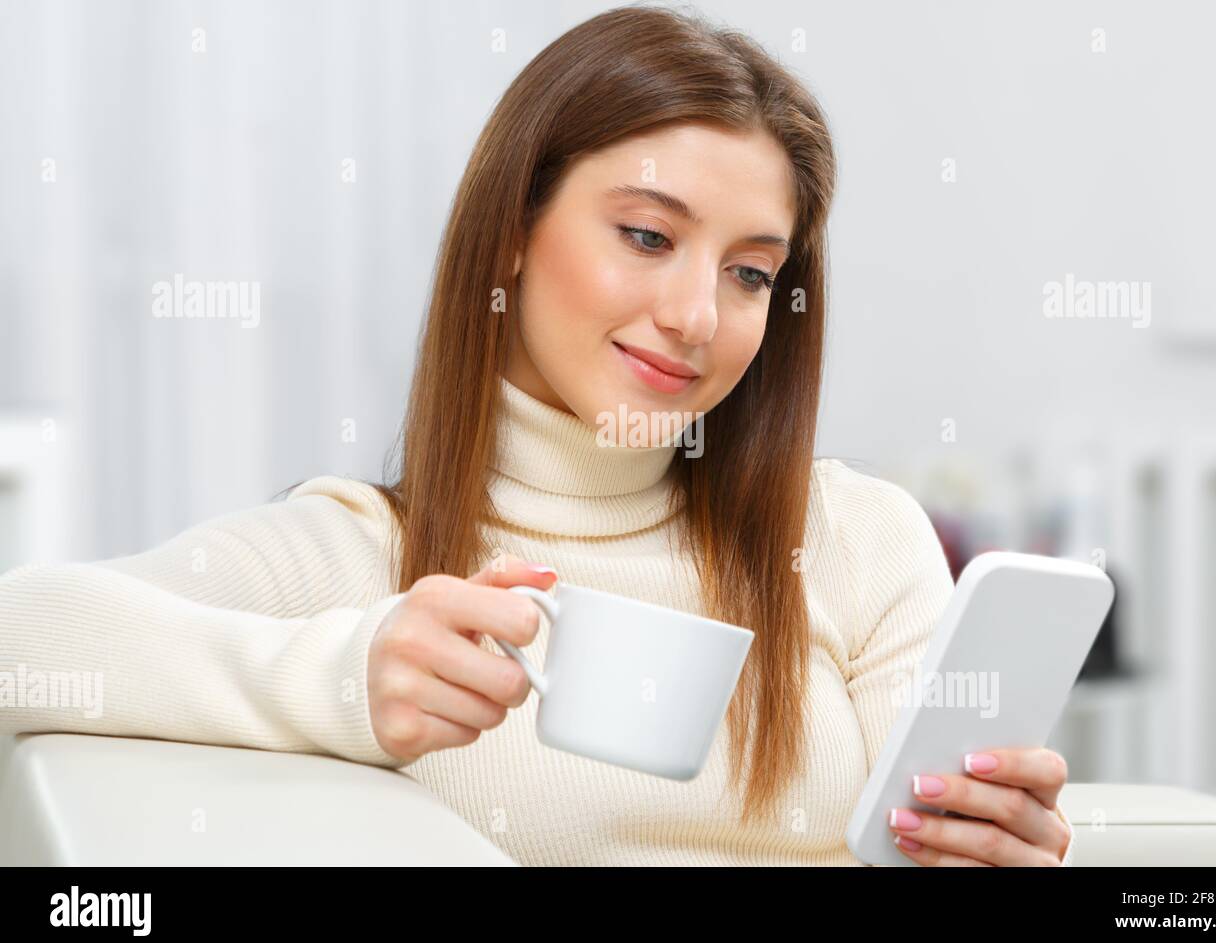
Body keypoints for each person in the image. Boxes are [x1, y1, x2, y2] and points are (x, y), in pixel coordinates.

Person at [0, 5, 1073, 866]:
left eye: (750, 272)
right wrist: (339, 676)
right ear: (513, 231)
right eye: (647, 236)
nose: (697, 314)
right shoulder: (360, 559)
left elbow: (928, 842)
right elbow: (24, 636)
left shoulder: (854, 538)